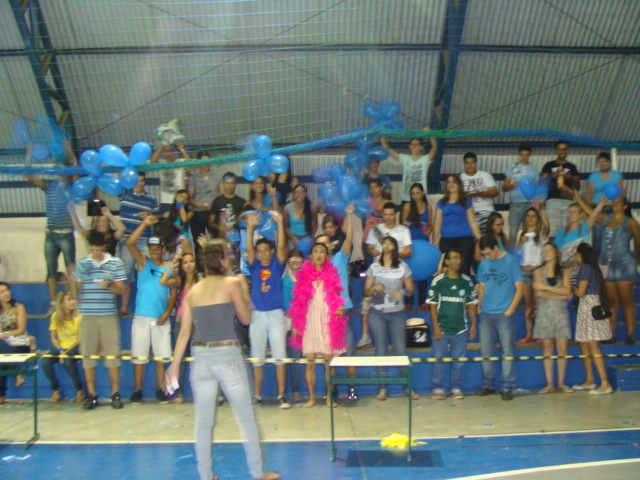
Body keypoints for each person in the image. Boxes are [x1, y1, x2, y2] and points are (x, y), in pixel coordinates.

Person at [166, 240, 281, 480]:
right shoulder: (231, 284)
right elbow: (246, 319)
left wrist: (174, 366)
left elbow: (184, 333)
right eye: (227, 256)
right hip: (226, 356)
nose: (229, 260)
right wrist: (244, 292)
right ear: (221, 261)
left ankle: (206, 475)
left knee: (203, 422)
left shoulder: (193, 292)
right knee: (246, 417)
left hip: (200, 358)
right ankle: (257, 473)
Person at [288, 242, 347, 407]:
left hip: (327, 322)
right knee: (310, 363)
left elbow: (338, 299)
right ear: (311, 256)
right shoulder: (303, 276)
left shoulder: (333, 275)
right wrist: (295, 325)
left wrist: (341, 309)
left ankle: (329, 397)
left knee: (329, 363)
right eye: (315, 251)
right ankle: (312, 398)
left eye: (322, 251)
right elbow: (298, 303)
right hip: (310, 323)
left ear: (326, 256)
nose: (319, 254)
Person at [126, 216, 177, 404]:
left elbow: (173, 294)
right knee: (139, 355)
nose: (153, 251)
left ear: (163, 249)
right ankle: (137, 390)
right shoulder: (143, 262)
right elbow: (129, 243)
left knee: (161, 356)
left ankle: (160, 389)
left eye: (157, 248)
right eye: (151, 248)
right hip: (141, 316)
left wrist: (167, 312)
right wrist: (145, 224)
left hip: (161, 318)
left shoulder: (170, 267)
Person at [73, 231, 127, 409]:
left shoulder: (115, 263)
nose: (96, 253)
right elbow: (74, 282)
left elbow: (121, 289)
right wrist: (76, 303)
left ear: (104, 247)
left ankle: (115, 394)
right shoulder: (83, 264)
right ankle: (91, 394)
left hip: (108, 315)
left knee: (112, 354)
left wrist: (109, 284)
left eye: (98, 249)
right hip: (88, 315)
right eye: (92, 250)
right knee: (88, 355)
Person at [363, 236, 418, 401]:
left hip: (397, 313)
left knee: (400, 350)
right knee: (380, 350)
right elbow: (365, 292)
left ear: (395, 247)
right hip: (377, 313)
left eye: (390, 243)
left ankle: (407, 387)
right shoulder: (374, 267)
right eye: (384, 242)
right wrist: (374, 287)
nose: (387, 245)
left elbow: (411, 289)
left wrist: (403, 291)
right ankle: (382, 388)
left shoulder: (402, 266)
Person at [245, 210, 291, 408]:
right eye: (260, 251)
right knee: (257, 357)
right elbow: (248, 248)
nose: (263, 254)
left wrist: (280, 223)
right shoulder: (254, 266)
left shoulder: (277, 265)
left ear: (271, 252)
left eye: (266, 250)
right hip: (257, 316)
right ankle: (257, 396)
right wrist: (250, 227)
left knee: (280, 356)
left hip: (276, 315)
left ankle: (281, 396)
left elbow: (282, 246)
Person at [25, 143, 79, 310]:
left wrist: (70, 151)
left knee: (71, 268)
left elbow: (76, 167)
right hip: (51, 234)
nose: (61, 171)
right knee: (51, 271)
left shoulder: (72, 187)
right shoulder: (49, 186)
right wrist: (29, 153)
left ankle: (74, 303)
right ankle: (53, 304)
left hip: (66, 234)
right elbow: (28, 174)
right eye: (59, 168)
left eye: (64, 169)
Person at [316, 203, 358, 400]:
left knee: (349, 353)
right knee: (329, 355)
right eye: (320, 245)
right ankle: (331, 390)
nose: (324, 247)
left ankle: (352, 389)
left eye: (326, 243)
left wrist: (349, 215)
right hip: (324, 315)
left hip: (343, 311)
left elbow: (349, 238)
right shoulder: (315, 268)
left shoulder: (341, 258)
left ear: (332, 245)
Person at [475, 236, 524, 401]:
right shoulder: (484, 264)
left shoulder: (511, 262)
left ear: (496, 247)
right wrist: (479, 305)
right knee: (485, 351)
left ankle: (507, 386)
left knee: (507, 351)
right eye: (484, 254)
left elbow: (520, 288)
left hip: (504, 313)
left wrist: (510, 310)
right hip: (486, 313)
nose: (487, 256)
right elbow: (482, 286)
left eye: (489, 253)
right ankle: (487, 385)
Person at [427, 249, 477, 400]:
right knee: (438, 359)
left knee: (459, 361)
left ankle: (456, 388)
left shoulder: (466, 281)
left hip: (461, 329)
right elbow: (432, 306)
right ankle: (438, 388)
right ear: (447, 262)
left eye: (459, 257)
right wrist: (436, 327)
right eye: (454, 257)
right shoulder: (438, 281)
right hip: (442, 328)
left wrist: (473, 325)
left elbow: (471, 305)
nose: (458, 260)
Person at [590, 196, 640, 345]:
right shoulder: (606, 219)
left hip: (624, 264)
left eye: (618, 202)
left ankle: (630, 334)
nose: (614, 204)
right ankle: (610, 334)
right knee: (611, 301)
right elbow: (589, 213)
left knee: (626, 301)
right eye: (613, 202)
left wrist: (638, 258)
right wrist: (576, 195)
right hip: (606, 264)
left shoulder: (629, 221)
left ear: (625, 206)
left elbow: (639, 237)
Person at [571, 243, 613, 395]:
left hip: (588, 307)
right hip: (592, 306)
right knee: (584, 343)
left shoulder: (585, 268)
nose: (576, 257)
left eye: (577, 254)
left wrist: (570, 287)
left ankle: (605, 383)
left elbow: (581, 292)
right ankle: (589, 380)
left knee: (593, 345)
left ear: (581, 255)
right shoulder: (594, 269)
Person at [160, 252, 201, 404]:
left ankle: (203, 392)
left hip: (196, 323)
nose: (189, 264)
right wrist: (173, 262)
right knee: (179, 358)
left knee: (200, 357)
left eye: (191, 261)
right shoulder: (179, 280)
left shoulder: (200, 280)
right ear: (182, 266)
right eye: (185, 262)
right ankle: (178, 392)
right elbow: (163, 281)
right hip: (180, 322)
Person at [533, 243, 573, 394]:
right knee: (547, 348)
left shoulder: (564, 271)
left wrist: (545, 287)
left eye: (549, 250)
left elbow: (567, 290)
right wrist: (559, 295)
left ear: (556, 253)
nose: (546, 253)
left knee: (562, 348)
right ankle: (549, 384)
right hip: (544, 313)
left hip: (560, 313)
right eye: (544, 251)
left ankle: (561, 382)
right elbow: (537, 293)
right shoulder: (537, 271)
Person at [119, 172, 160, 316]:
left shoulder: (151, 198)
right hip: (127, 239)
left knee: (150, 271)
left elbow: (157, 218)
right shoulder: (123, 193)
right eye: (137, 181)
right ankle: (124, 308)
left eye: (142, 181)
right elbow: (116, 178)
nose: (140, 184)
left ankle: (151, 306)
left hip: (144, 240)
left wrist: (150, 216)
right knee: (126, 274)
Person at [433, 175, 482, 276]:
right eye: (449, 182)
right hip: (446, 240)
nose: (451, 185)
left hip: (465, 239)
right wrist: (434, 241)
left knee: (464, 267)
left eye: (454, 182)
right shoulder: (441, 203)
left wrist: (480, 239)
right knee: (450, 268)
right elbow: (437, 223)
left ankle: (466, 286)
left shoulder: (466, 202)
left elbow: (473, 221)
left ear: (459, 185)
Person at [515, 204, 550, 344]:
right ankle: (529, 334)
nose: (530, 219)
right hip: (524, 270)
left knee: (539, 303)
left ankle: (540, 334)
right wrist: (519, 242)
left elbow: (547, 226)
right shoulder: (520, 233)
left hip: (537, 271)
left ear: (538, 218)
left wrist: (541, 210)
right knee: (528, 304)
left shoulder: (541, 233)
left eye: (533, 216)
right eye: (528, 216)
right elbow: (516, 254)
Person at [41, 291, 84, 403]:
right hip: (61, 347)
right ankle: (55, 389)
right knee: (45, 361)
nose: (72, 302)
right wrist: (61, 351)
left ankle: (79, 390)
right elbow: (53, 338)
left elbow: (81, 338)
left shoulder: (79, 316)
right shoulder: (55, 316)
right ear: (61, 304)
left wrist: (66, 352)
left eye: (72, 299)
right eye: (69, 300)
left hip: (76, 346)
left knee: (68, 361)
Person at [381, 126, 437, 202]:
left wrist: (430, 134)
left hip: (421, 198)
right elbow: (388, 150)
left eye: (417, 144)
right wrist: (382, 136)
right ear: (409, 146)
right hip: (406, 197)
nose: (414, 146)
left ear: (421, 147)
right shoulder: (405, 159)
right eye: (412, 144)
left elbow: (434, 148)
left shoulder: (425, 160)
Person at [502, 144, 540, 245]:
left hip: (530, 204)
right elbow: (504, 188)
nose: (524, 157)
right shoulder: (512, 167)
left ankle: (527, 253)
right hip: (516, 204)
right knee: (513, 234)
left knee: (529, 232)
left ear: (530, 154)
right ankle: (511, 253)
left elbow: (537, 188)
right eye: (522, 155)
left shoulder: (534, 168)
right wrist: (512, 185)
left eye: (526, 155)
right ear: (519, 154)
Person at [402, 183, 433, 307]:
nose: (415, 196)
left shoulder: (428, 206)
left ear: (423, 193)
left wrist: (428, 230)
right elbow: (402, 225)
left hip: (424, 243)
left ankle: (422, 301)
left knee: (423, 271)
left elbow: (430, 224)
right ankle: (408, 301)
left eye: (418, 193)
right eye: (413, 194)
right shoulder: (408, 206)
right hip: (410, 243)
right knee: (408, 272)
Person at [541, 141, 580, 239]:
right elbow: (541, 184)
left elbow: (578, 186)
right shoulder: (549, 165)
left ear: (567, 150)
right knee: (552, 232)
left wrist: (571, 178)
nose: (562, 152)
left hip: (568, 201)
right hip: (552, 201)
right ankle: (551, 249)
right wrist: (551, 176)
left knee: (567, 231)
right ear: (556, 150)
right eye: (560, 149)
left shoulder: (572, 167)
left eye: (564, 149)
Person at [0, 282, 30, 405]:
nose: (7, 293)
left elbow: (20, 330)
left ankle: (2, 393)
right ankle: (16, 374)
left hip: (19, 344)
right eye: (2, 292)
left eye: (7, 290)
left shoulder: (19, 307)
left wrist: (2, 336)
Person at [282, 249, 304, 405]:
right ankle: (282, 393)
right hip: (284, 320)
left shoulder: (306, 275)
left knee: (296, 356)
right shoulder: (282, 272)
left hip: (301, 320)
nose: (295, 260)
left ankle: (296, 391)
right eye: (292, 257)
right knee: (284, 357)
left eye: (298, 258)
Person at [188, 154, 221, 257]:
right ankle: (200, 265)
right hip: (198, 212)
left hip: (213, 212)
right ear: (199, 162)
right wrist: (197, 204)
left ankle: (217, 263)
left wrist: (214, 205)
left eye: (208, 160)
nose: (206, 163)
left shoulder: (217, 175)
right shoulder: (193, 178)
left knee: (216, 239)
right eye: (203, 161)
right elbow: (189, 197)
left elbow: (221, 194)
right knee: (198, 241)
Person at [460, 152, 499, 233]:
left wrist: (479, 193)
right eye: (467, 163)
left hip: (486, 212)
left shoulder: (485, 175)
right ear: (464, 163)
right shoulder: (459, 178)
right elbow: (454, 197)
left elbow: (494, 192)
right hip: (467, 214)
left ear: (476, 163)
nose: (470, 165)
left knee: (486, 237)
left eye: (472, 162)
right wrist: (464, 195)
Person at [150, 141, 190, 214]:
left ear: (174, 152)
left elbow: (191, 166)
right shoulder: (161, 163)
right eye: (166, 151)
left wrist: (182, 149)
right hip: (165, 202)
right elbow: (152, 161)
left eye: (171, 151)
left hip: (179, 201)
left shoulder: (180, 162)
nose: (168, 153)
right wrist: (161, 146)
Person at [208, 172, 246, 244]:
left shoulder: (241, 202)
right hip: (221, 238)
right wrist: (220, 227)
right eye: (227, 183)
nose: (229, 186)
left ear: (236, 184)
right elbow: (210, 222)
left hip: (237, 238)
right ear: (223, 184)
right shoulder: (217, 201)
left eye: (232, 183)